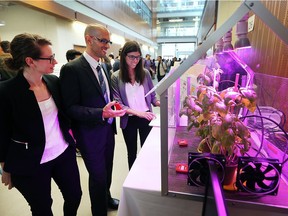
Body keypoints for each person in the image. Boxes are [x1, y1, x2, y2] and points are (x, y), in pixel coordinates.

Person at [0, 33, 82, 216]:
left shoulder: (53, 82)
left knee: (74, 195)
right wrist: (5, 168)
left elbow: (66, 113)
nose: (55, 61)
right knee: (42, 207)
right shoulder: (7, 92)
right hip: (31, 160)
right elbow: (2, 133)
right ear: (30, 61)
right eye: (50, 58)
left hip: (62, 152)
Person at [60, 23, 126, 216]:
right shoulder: (72, 69)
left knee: (107, 170)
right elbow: (70, 108)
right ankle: (99, 211)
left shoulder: (103, 66)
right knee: (97, 176)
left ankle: (105, 198)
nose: (107, 46)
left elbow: (102, 97)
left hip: (107, 130)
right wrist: (101, 113)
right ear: (89, 39)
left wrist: (112, 109)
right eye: (103, 41)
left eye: (108, 41)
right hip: (89, 134)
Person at [111, 41, 160, 170]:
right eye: (131, 57)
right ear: (124, 57)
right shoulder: (116, 77)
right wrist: (138, 113)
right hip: (129, 120)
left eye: (138, 57)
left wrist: (160, 103)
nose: (135, 60)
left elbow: (152, 95)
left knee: (146, 150)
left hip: (146, 117)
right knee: (131, 152)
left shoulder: (145, 73)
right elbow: (118, 104)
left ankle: (145, 175)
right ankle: (133, 181)